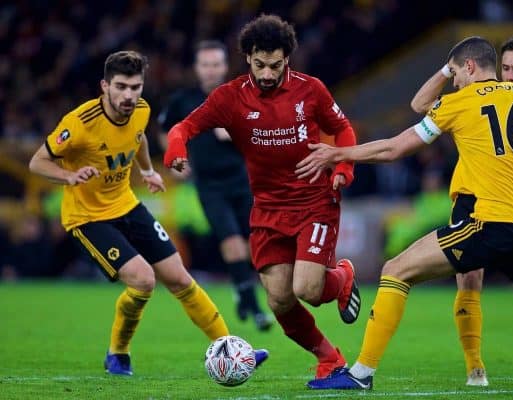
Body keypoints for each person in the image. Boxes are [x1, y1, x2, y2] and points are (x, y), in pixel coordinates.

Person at [297, 36, 513, 390]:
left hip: (489, 222)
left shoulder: (459, 102)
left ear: (469, 68)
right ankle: (478, 370)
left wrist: (338, 154)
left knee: (396, 270)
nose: (454, 80)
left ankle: (361, 374)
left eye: (455, 73)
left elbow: (394, 148)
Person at [28, 50, 268, 376]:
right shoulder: (80, 123)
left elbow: (137, 137)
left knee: (181, 278)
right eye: (122, 87)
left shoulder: (141, 110)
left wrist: (147, 171)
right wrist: (68, 176)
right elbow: (37, 161)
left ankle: (233, 349)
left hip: (126, 204)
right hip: (88, 218)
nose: (129, 95)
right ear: (105, 86)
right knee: (143, 281)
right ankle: (118, 352)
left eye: (135, 87)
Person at [163, 14, 362, 379]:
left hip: (314, 200)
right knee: (279, 299)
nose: (267, 74)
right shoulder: (230, 97)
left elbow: (343, 129)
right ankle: (329, 359)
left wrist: (342, 170)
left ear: (287, 58)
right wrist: (176, 147)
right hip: (268, 208)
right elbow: (185, 126)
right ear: (248, 58)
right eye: (259, 65)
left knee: (308, 289)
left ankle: (341, 278)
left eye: (274, 65)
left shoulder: (311, 89)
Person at [409, 35, 513, 386]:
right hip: (472, 200)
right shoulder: (477, 97)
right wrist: (450, 65)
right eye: (506, 68)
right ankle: (475, 367)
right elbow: (420, 104)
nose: (510, 75)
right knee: (469, 276)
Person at [158, 40, 273, 332]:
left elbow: (265, 134)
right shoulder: (183, 101)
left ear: (224, 67)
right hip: (209, 185)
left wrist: (234, 133)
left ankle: (243, 290)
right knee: (231, 242)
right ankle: (253, 304)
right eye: (205, 65)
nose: (210, 70)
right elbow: (165, 131)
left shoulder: (242, 97)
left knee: (253, 243)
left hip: (244, 180)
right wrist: (176, 159)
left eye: (216, 64)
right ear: (197, 68)